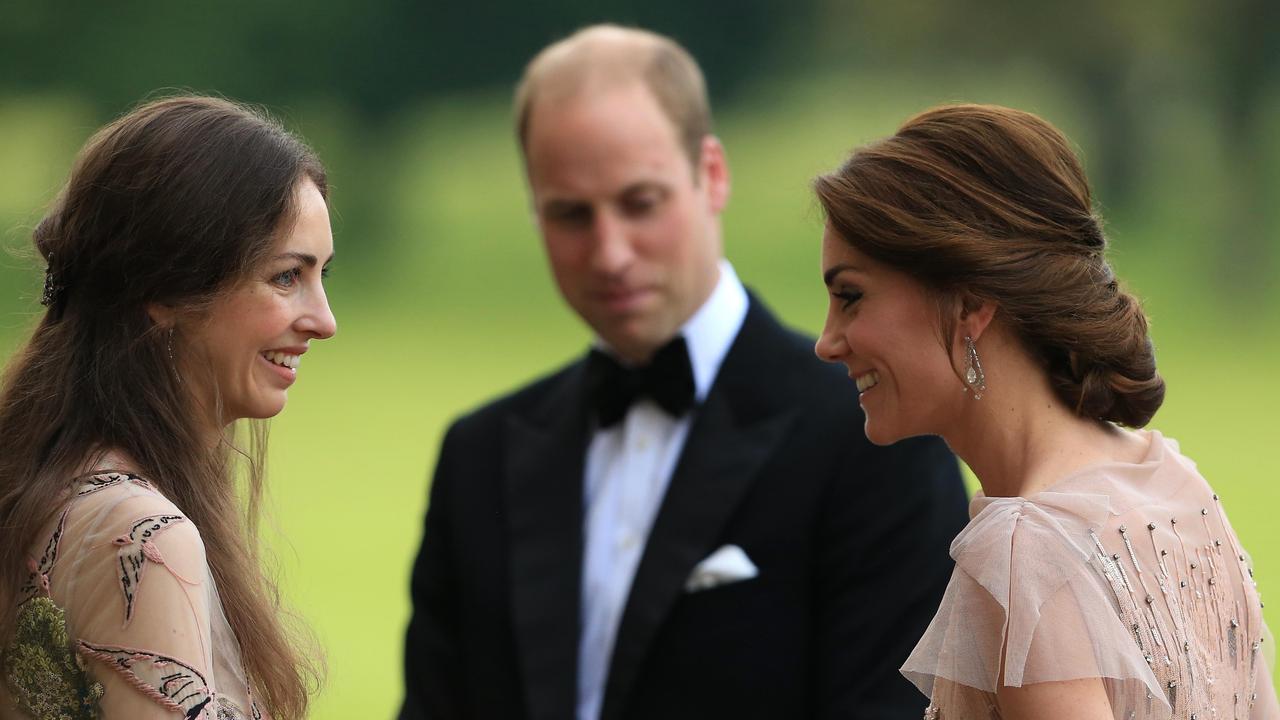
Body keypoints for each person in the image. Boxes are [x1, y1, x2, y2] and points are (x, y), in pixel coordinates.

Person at [399, 24, 968, 720]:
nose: (609, 253)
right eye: (571, 214)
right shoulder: (477, 455)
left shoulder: (875, 435)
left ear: (712, 174)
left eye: (640, 203)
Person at [813, 103, 1280, 719]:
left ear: (969, 303)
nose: (826, 341)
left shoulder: (1026, 549)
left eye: (851, 298)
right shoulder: (1167, 477)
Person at [0, 96, 337, 719]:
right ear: (167, 292)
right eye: (287, 276)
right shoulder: (141, 537)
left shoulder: (48, 479)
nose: (324, 321)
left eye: (323, 276)